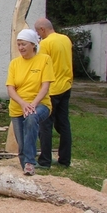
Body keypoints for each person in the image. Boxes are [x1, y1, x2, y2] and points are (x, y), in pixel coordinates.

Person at [6, 29, 55, 176]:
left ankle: (30, 162)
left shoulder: (44, 59)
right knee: (22, 145)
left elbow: (45, 86)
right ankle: (26, 171)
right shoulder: (14, 64)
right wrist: (22, 103)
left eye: (23, 44)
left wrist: (33, 104)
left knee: (32, 117)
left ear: (33, 45)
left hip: (40, 104)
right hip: (18, 108)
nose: (20, 48)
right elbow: (10, 88)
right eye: (18, 44)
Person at [34, 18, 73, 168]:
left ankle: (44, 161)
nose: (38, 35)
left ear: (42, 29)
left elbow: (41, 66)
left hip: (51, 89)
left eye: (38, 32)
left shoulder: (45, 43)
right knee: (64, 124)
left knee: (45, 125)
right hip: (66, 86)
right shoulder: (65, 39)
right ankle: (65, 160)